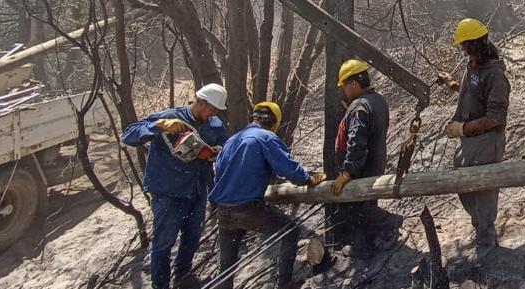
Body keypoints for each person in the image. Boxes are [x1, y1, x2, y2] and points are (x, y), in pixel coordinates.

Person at [122, 83, 228, 289]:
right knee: (163, 242)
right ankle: (160, 285)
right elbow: (129, 135)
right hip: (168, 192)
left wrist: (216, 152)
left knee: (192, 238)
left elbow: (225, 146)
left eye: (216, 111)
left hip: (197, 190)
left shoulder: (215, 125)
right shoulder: (171, 117)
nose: (213, 114)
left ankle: (183, 276)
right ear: (200, 102)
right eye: (211, 109)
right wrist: (157, 126)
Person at [210, 102, 326, 289]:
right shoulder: (266, 138)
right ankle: (285, 283)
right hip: (248, 208)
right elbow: (288, 168)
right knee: (290, 231)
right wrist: (308, 179)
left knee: (226, 266)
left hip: (223, 210)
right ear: (274, 123)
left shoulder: (232, 140)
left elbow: (222, 174)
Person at [445, 18, 510, 255]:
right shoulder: (473, 67)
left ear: (475, 45)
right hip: (469, 142)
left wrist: (463, 128)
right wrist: (453, 85)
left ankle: (486, 238)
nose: (462, 51)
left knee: (483, 191)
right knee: (464, 185)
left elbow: (495, 117)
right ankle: (480, 225)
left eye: (464, 46)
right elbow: (474, 93)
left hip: (486, 141)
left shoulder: (495, 75)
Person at [330, 59, 402, 258]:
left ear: (353, 84)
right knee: (363, 208)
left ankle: (391, 222)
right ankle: (364, 247)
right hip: (375, 162)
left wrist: (347, 172)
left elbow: (356, 142)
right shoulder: (378, 100)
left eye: (345, 86)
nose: (344, 91)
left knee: (359, 209)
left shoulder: (360, 107)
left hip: (362, 167)